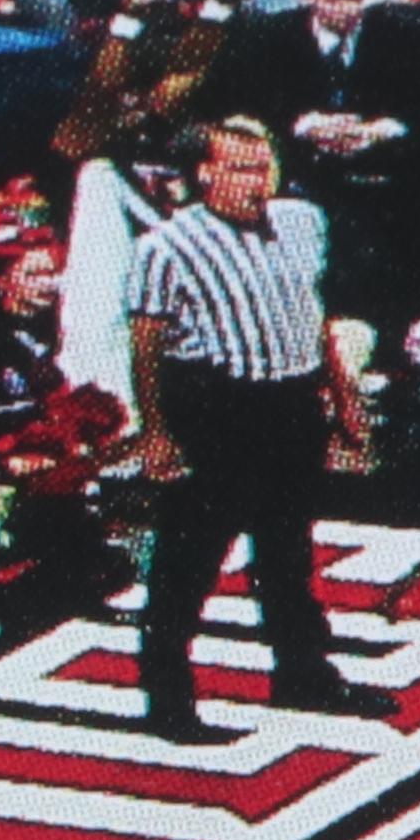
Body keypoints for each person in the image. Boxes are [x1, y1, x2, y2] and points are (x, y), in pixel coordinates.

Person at [121, 120, 372, 747]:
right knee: (189, 559)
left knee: (288, 552)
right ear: (203, 174)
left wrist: (344, 402)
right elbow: (147, 346)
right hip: (216, 408)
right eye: (240, 169)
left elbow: (313, 319)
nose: (257, 183)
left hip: (290, 404)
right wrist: (155, 432)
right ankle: (169, 698)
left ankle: (304, 673)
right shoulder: (166, 245)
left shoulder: (297, 222)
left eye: (264, 168)